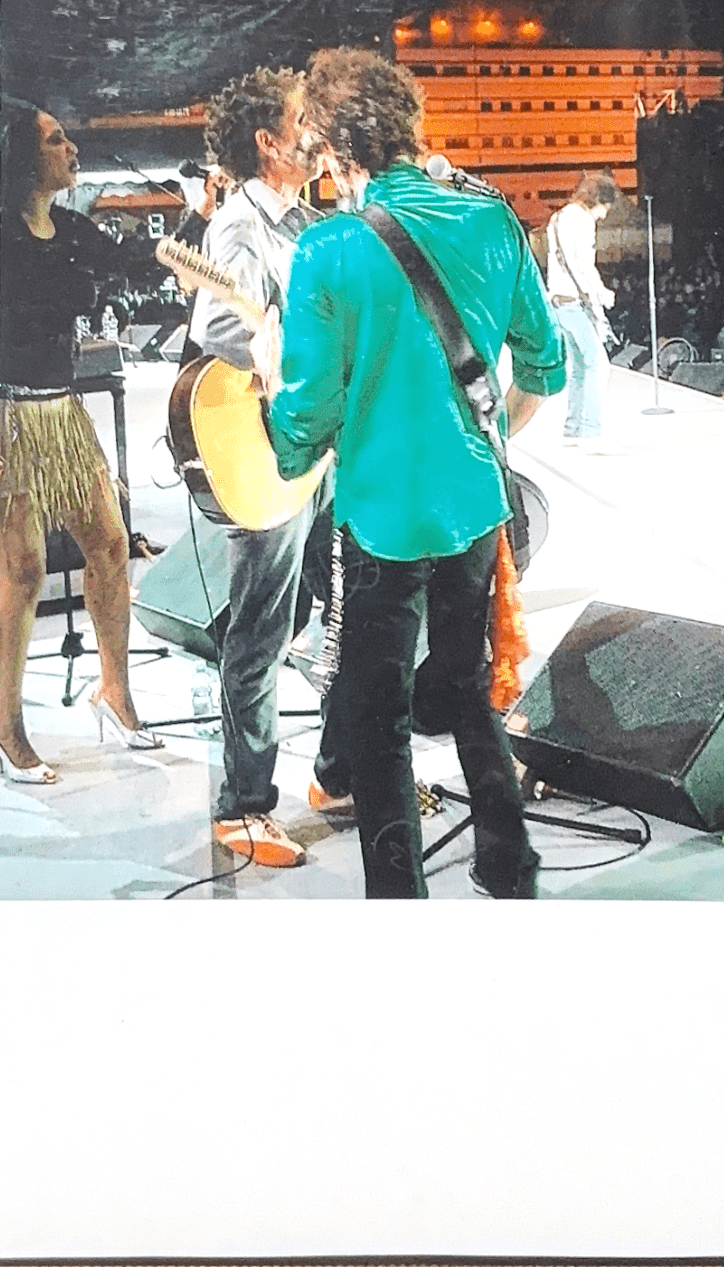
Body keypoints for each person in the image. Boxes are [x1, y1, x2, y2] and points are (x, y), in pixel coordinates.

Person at [255, 48, 566, 899]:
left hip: (379, 521)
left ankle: (399, 903)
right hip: (476, 506)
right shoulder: (493, 216)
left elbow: (303, 430)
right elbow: (546, 367)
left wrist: (272, 390)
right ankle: (508, 864)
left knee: (377, 717)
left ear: (332, 150)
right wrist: (481, 432)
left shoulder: (327, 249)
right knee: (468, 688)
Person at [185, 68, 334, 870]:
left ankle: (337, 774)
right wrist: (283, 351)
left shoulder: (310, 219)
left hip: (321, 441)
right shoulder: (240, 223)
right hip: (270, 448)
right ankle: (242, 806)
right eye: (302, 119)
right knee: (261, 628)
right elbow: (218, 322)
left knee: (343, 602)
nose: (317, 130)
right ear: (268, 143)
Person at [0, 100, 160, 782]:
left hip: (61, 412)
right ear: (22, 156)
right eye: (55, 140)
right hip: (6, 416)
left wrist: (196, 227)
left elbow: (132, 261)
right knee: (23, 571)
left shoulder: (71, 229)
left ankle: (114, 691)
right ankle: (5, 726)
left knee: (111, 545)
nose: (70, 149)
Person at [546, 170, 620, 450]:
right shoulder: (583, 219)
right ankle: (592, 432)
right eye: (605, 207)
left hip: (557, 299)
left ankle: (574, 429)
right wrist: (600, 292)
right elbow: (582, 265)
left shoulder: (558, 217)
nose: (604, 215)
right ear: (598, 200)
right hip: (575, 301)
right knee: (598, 365)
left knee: (579, 366)